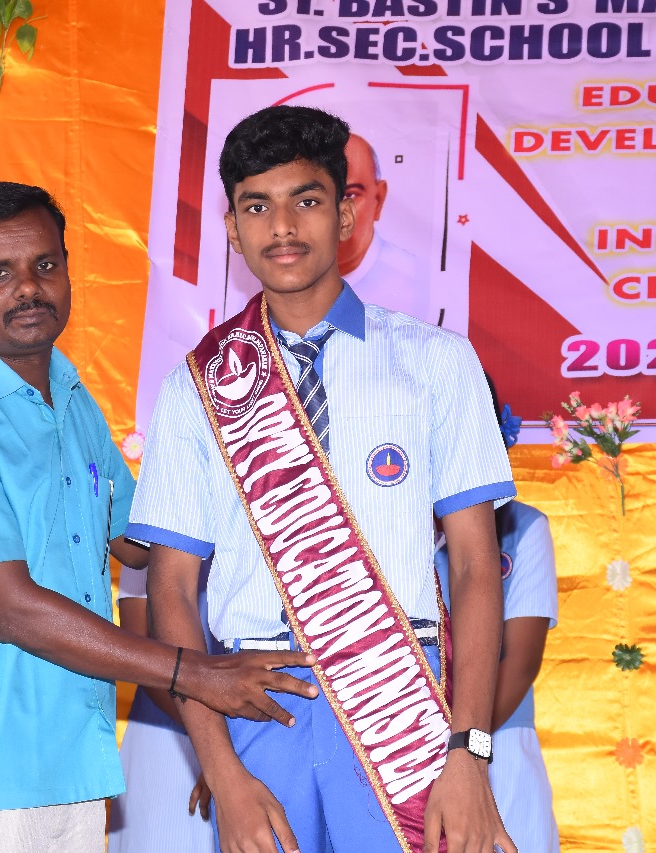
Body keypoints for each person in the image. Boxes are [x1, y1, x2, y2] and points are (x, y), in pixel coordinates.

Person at [0, 181, 319, 853]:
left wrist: (288, 495)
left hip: (69, 767)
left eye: (44, 264)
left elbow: (140, 542)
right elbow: (13, 610)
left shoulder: (70, 397)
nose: (28, 288)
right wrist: (195, 671)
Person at [128, 106, 516, 853]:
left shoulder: (436, 361)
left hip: (401, 699)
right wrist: (222, 769)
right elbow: (170, 589)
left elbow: (475, 566)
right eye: (256, 206)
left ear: (345, 213)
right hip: (255, 703)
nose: (282, 226)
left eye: (305, 200)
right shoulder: (199, 384)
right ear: (231, 227)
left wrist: (469, 750)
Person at [434, 388, 560, 853]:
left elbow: (520, 662)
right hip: (396, 753)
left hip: (497, 750)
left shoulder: (523, 527)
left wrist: (459, 751)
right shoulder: (388, 532)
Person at [107, 562, 218, 853]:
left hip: (249, 736)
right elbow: (138, 655)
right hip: (166, 743)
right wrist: (218, 745)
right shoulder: (145, 541)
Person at [337, 133, 429, 322]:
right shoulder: (279, 279)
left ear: (378, 199)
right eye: (311, 199)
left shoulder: (422, 284)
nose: (335, 212)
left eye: (350, 195)